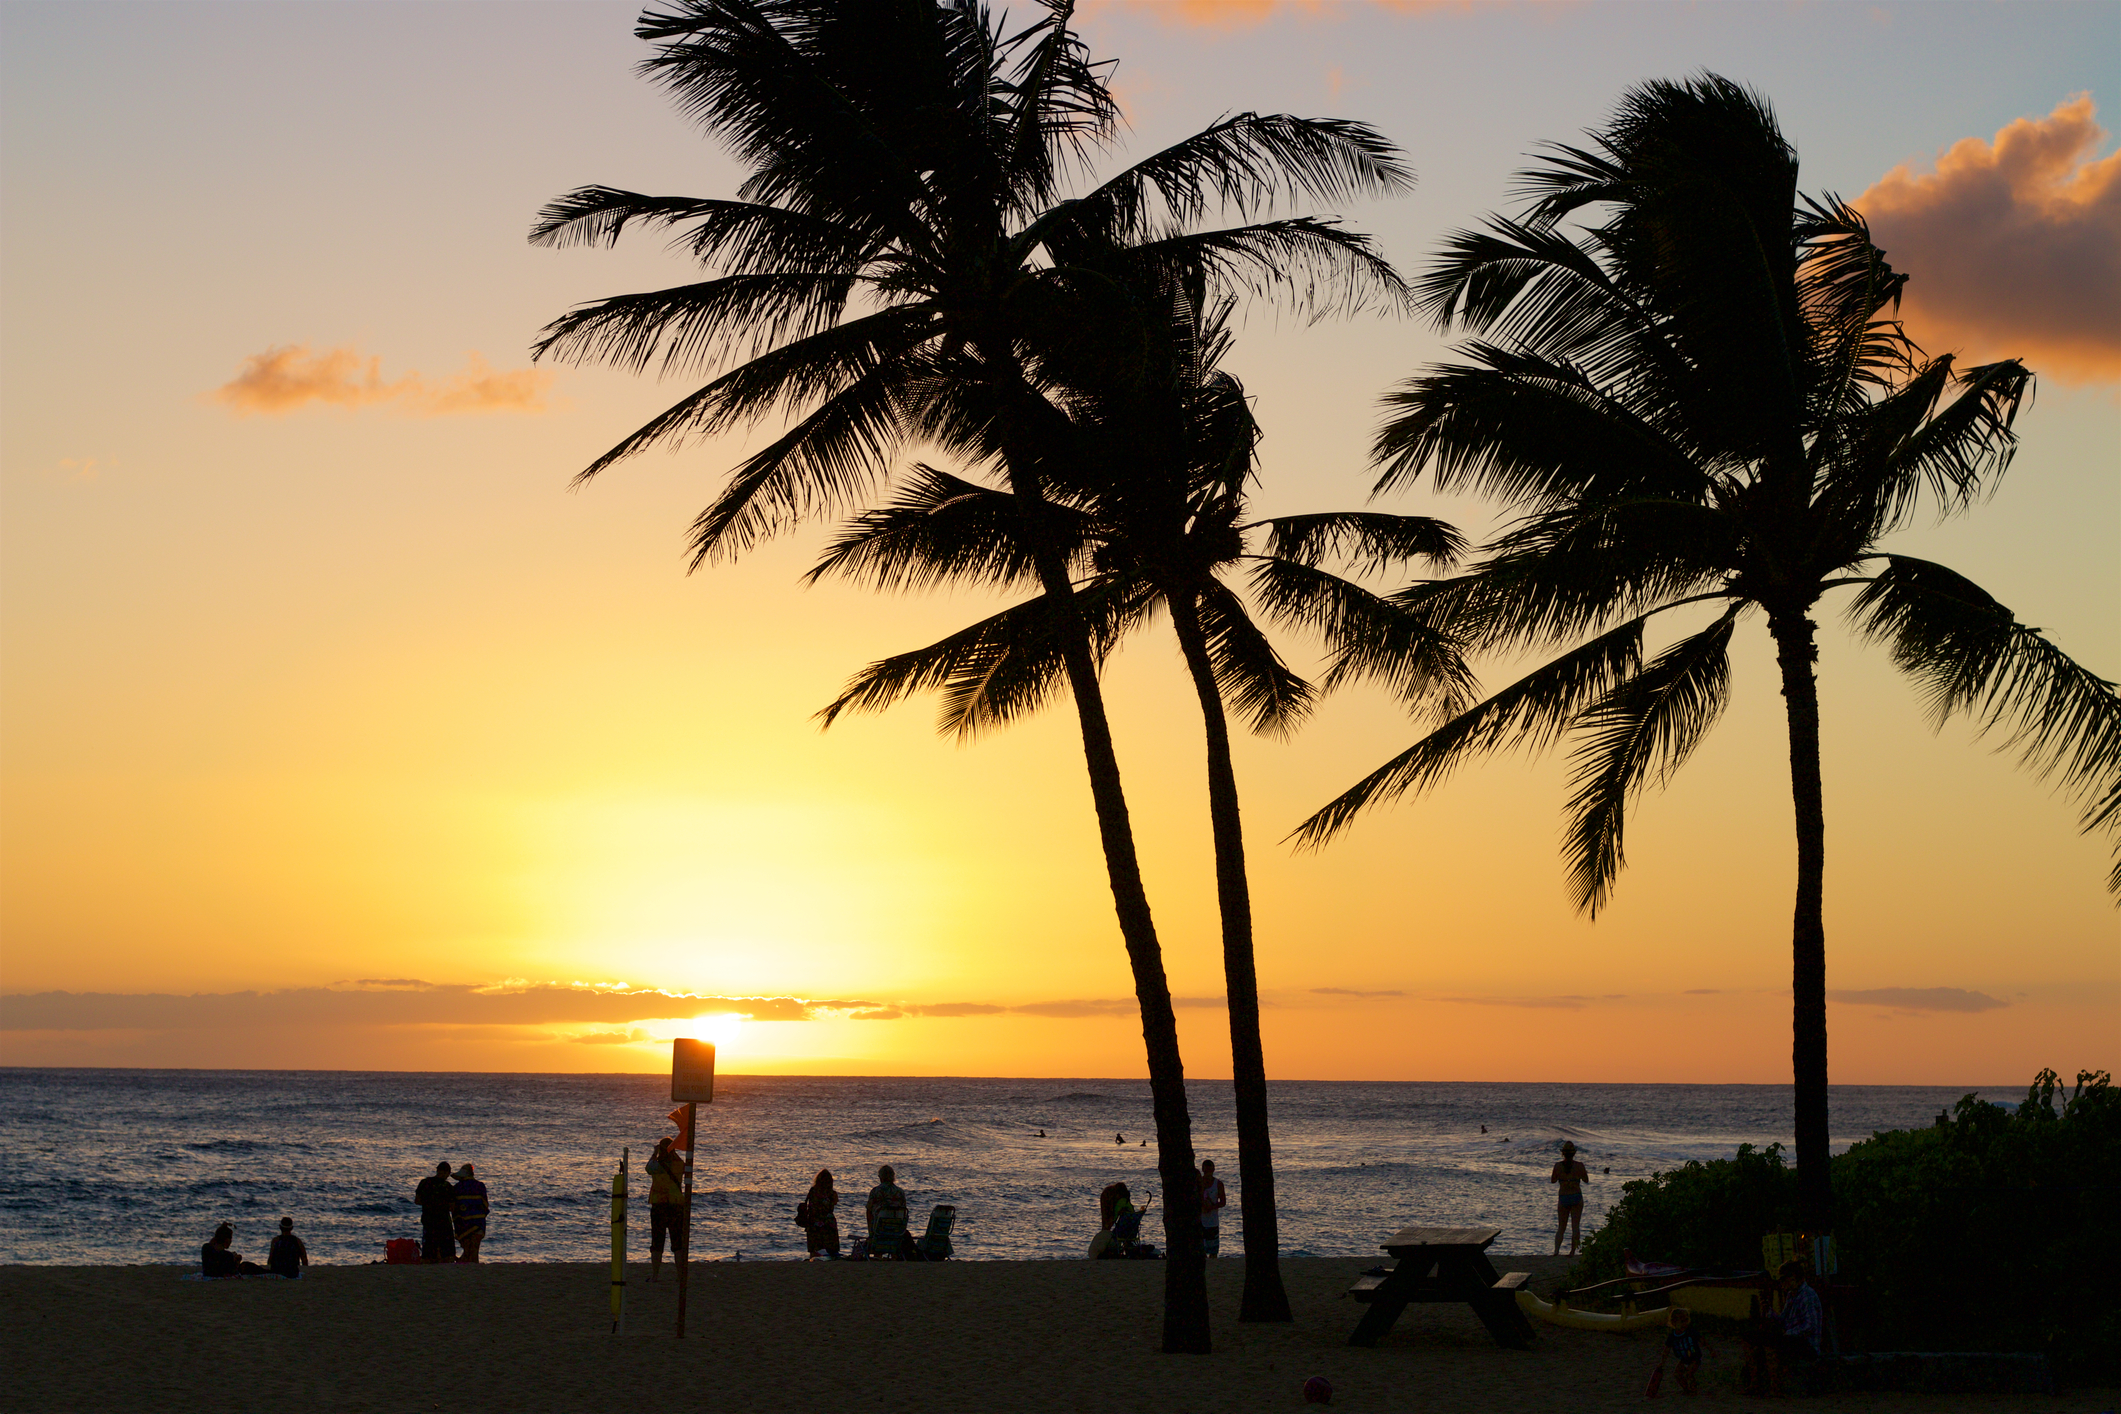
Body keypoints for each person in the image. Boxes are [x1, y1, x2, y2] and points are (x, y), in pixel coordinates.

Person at [1767, 1260, 1824, 1393]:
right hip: (1796, 1339)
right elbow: (1784, 1319)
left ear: (1794, 1279)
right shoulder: (1791, 1295)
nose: (1782, 1283)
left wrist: (1789, 1333)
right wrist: (1771, 1314)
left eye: (1785, 1279)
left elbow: (1809, 1325)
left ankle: (1776, 1385)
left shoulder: (1807, 1295)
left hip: (1808, 1344)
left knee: (1776, 1343)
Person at [646, 1138, 687, 1280]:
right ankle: (680, 1275)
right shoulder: (679, 1164)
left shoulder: (656, 1165)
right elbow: (684, 1167)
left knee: (657, 1243)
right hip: (676, 1206)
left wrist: (655, 1152)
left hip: (659, 1206)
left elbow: (648, 1168)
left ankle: (655, 1275)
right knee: (678, 1243)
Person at [1550, 1140, 1589, 1256]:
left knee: (1561, 1227)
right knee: (1575, 1226)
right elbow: (1586, 1180)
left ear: (1563, 1153)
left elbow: (1553, 1180)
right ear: (1574, 1153)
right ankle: (1572, 1251)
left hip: (1563, 1197)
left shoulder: (1557, 1166)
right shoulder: (1579, 1166)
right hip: (1576, 1196)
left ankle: (1556, 1251)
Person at [414, 1161, 456, 1264]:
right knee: (446, 1247)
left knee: (429, 1243)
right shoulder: (447, 1186)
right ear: (447, 1173)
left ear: (437, 1170)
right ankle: (442, 1259)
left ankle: (430, 1259)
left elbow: (417, 1201)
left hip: (428, 1218)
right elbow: (452, 1207)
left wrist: (429, 1203)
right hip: (443, 1219)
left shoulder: (424, 1183)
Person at [1658, 1305, 1705, 1395]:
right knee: (1677, 1375)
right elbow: (1666, 1350)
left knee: (1688, 1374)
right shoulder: (1672, 1336)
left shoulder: (1690, 1331)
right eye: (1682, 1321)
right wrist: (1662, 1362)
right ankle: (1686, 1389)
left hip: (1694, 1357)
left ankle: (1693, 1389)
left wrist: (1711, 1350)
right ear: (1674, 1322)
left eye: (1686, 1320)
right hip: (1684, 1359)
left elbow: (1701, 1339)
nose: (1685, 1323)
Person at [866, 1165, 909, 1260]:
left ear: (880, 1177)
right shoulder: (900, 1192)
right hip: (896, 1230)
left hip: (880, 1229)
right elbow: (904, 1211)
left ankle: (878, 1256)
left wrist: (871, 1232)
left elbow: (869, 1211)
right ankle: (895, 1256)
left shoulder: (876, 1191)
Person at [452, 1163, 489, 1263]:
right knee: (474, 1251)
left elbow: (454, 1208)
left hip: (463, 1225)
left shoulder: (457, 1188)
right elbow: (485, 1206)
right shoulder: (480, 1186)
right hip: (478, 1223)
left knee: (468, 1251)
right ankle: (470, 1267)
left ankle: (465, 1264)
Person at [201, 1223, 266, 1277]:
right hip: (218, 1274)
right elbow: (233, 1272)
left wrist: (221, 1229)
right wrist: (237, 1261)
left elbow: (214, 1241)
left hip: (207, 1273)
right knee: (246, 1265)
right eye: (230, 1238)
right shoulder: (227, 1255)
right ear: (227, 1240)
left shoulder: (206, 1248)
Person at [803, 1169, 841, 1258]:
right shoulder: (832, 1193)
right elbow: (834, 1204)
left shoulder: (813, 1191)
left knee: (814, 1248)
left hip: (814, 1220)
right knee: (831, 1249)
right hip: (829, 1221)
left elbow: (809, 1204)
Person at [1198, 1159, 1227, 1257]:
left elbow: (1223, 1202)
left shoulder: (1218, 1184)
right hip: (1199, 1221)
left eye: (1209, 1170)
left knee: (1213, 1252)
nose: (1208, 1173)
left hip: (1212, 1222)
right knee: (1200, 1250)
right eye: (1206, 1171)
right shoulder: (1198, 1183)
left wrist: (1212, 1207)